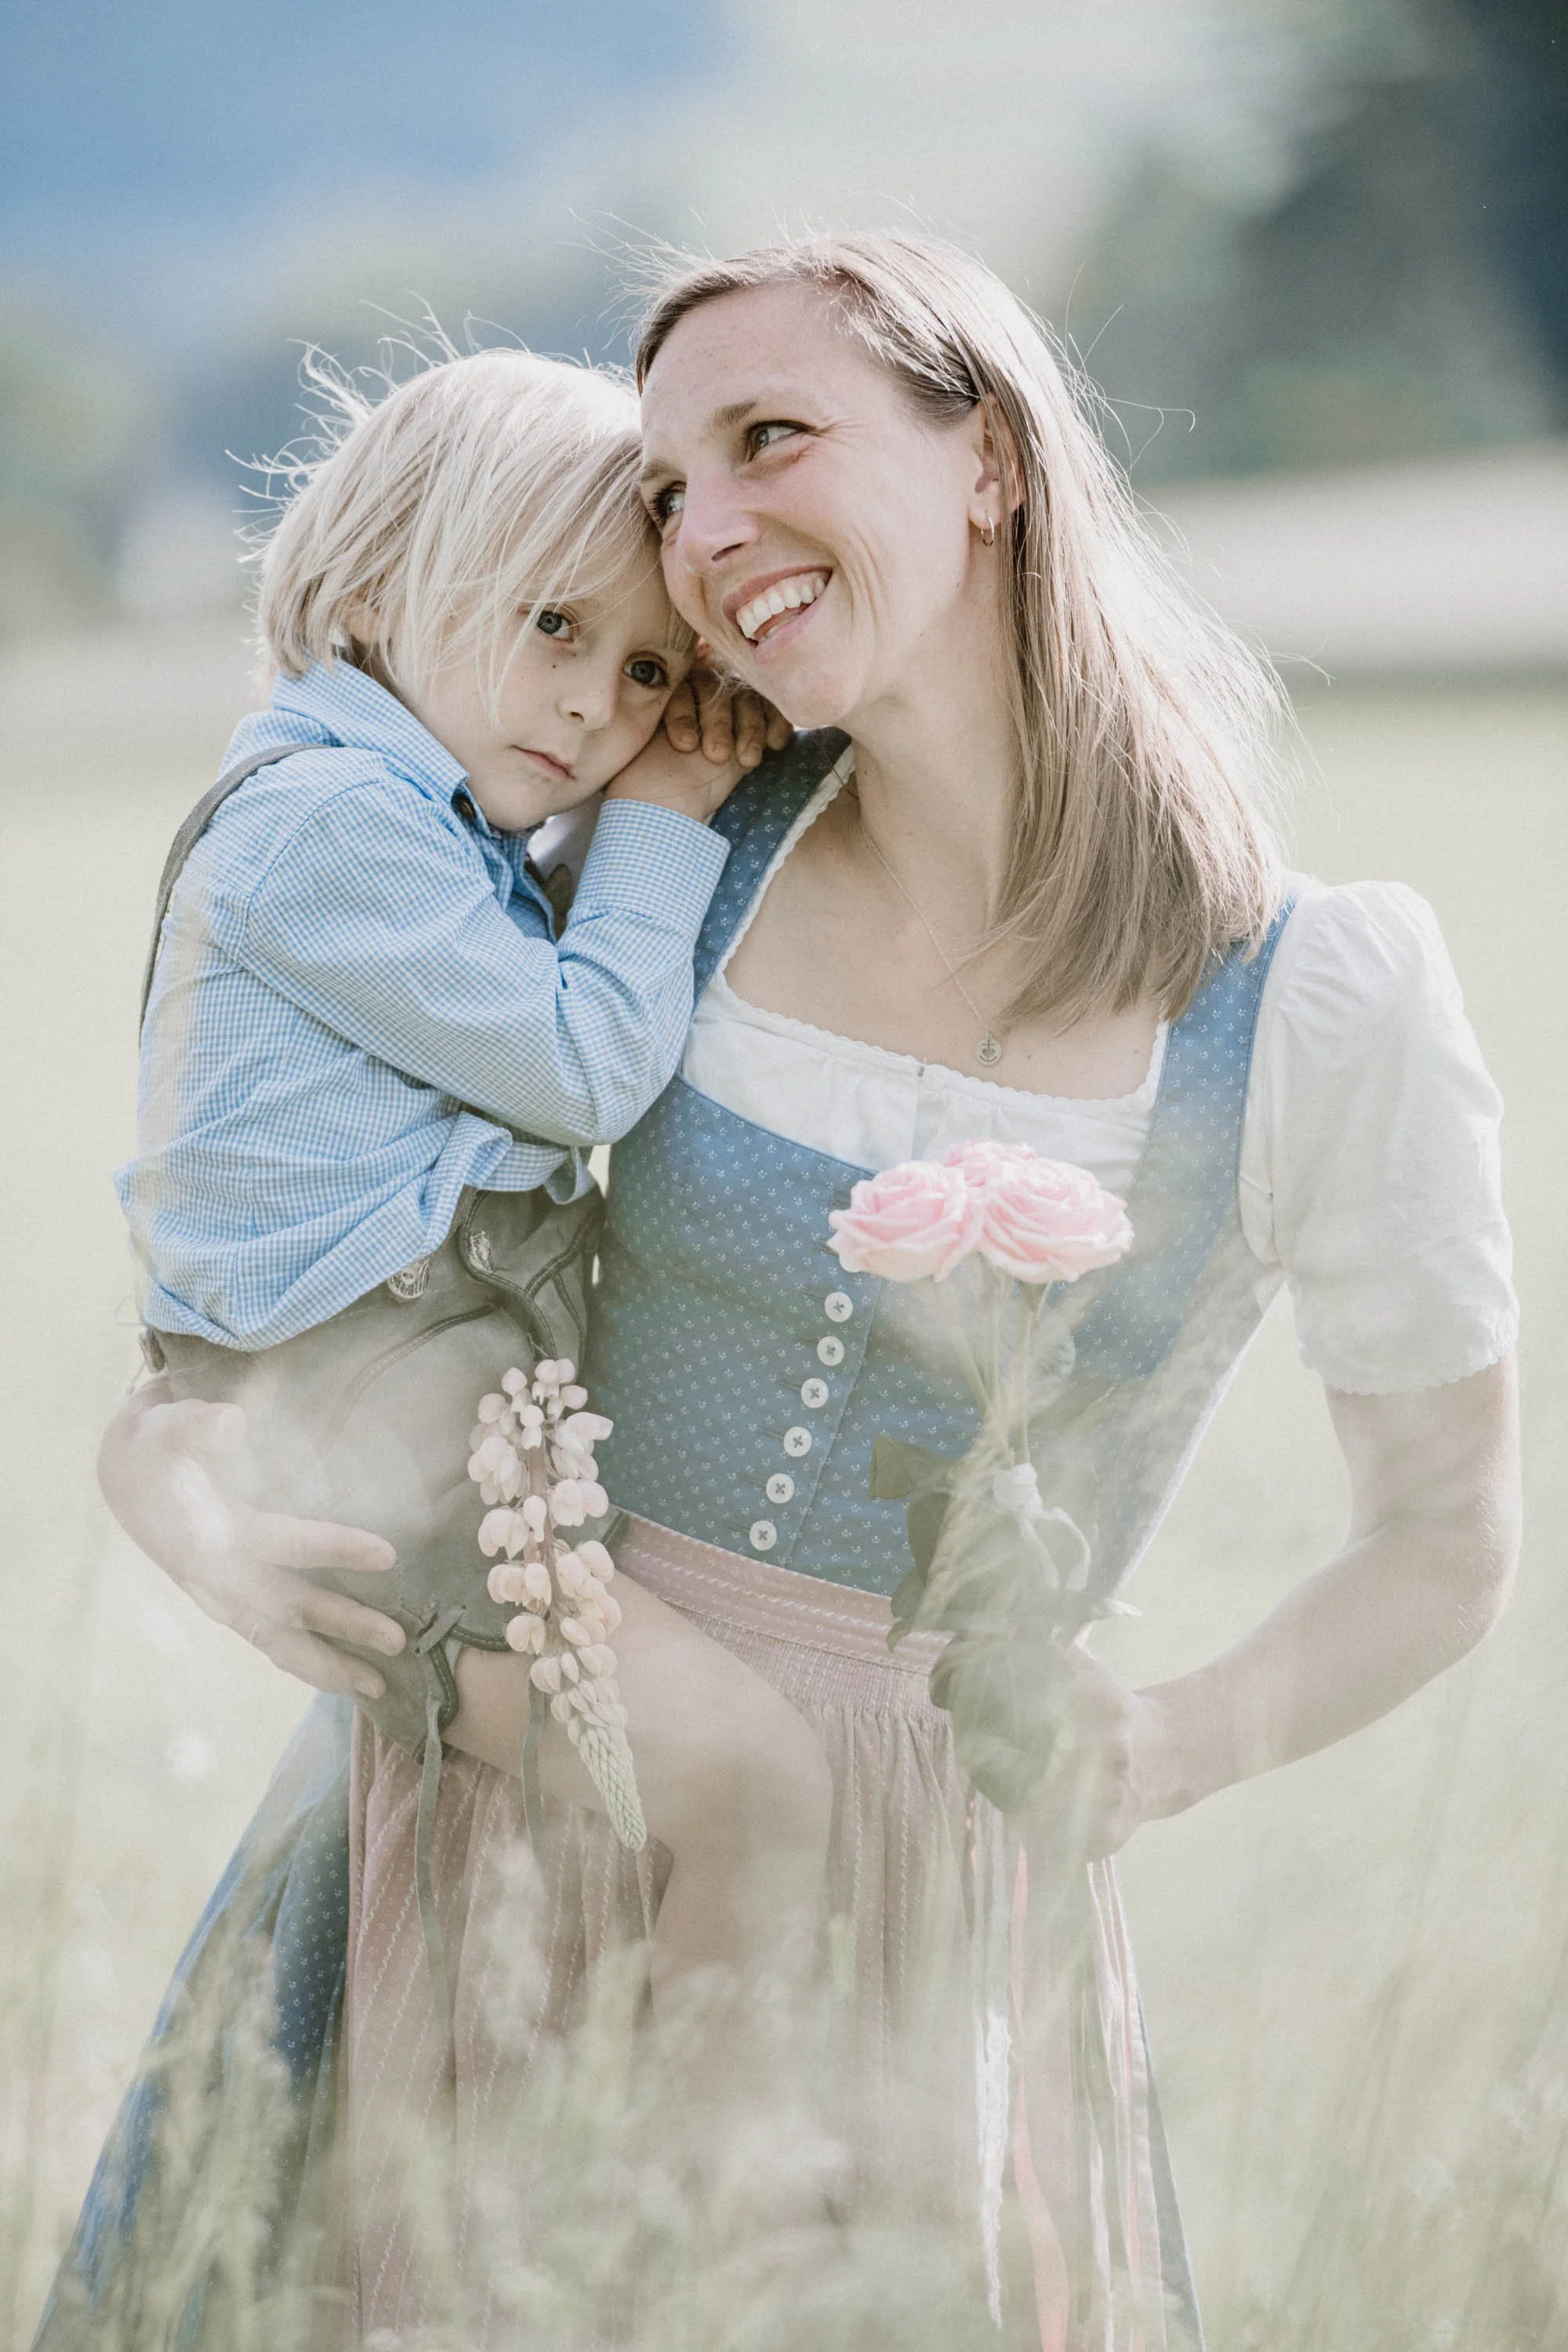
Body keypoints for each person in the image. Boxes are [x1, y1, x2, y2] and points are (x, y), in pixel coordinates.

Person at [42, 234, 1520, 2352]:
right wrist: (168, 1471)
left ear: (989, 457)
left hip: (937, 1894)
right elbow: (295, 1226)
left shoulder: (1319, 997)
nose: (706, 530)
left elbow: (1448, 1538)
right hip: (511, 1793)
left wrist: (1170, 1746)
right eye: (668, 483)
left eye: (772, 440)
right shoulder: (644, 852)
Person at [114, 336, 835, 2118]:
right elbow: (585, 1063)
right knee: (748, 1782)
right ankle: (692, 2222)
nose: (599, 708)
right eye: (553, 629)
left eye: (652, 671)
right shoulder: (328, 829)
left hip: (430, 1404)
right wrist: (669, 816)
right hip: (382, 1434)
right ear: (372, 587)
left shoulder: (409, 813)